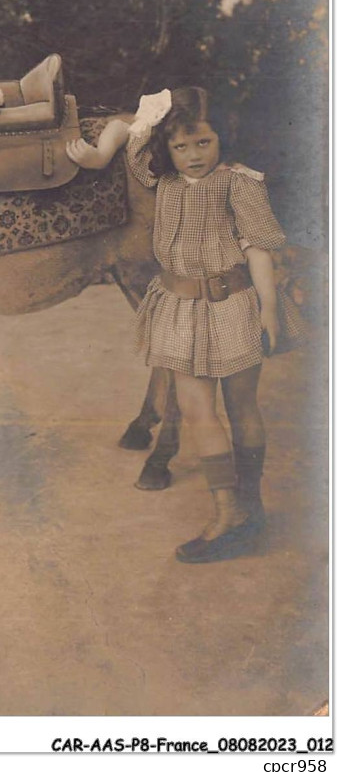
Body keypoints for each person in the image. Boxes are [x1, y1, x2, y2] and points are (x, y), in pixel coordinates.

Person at [66, 87, 303, 563]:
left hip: (233, 302)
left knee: (241, 408)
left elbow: (257, 248)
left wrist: (269, 308)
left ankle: (250, 505)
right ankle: (227, 511)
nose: (193, 156)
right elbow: (127, 129)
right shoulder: (162, 183)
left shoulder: (240, 182)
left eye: (204, 143)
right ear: (166, 149)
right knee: (197, 412)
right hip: (177, 307)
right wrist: (97, 156)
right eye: (181, 146)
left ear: (222, 141)